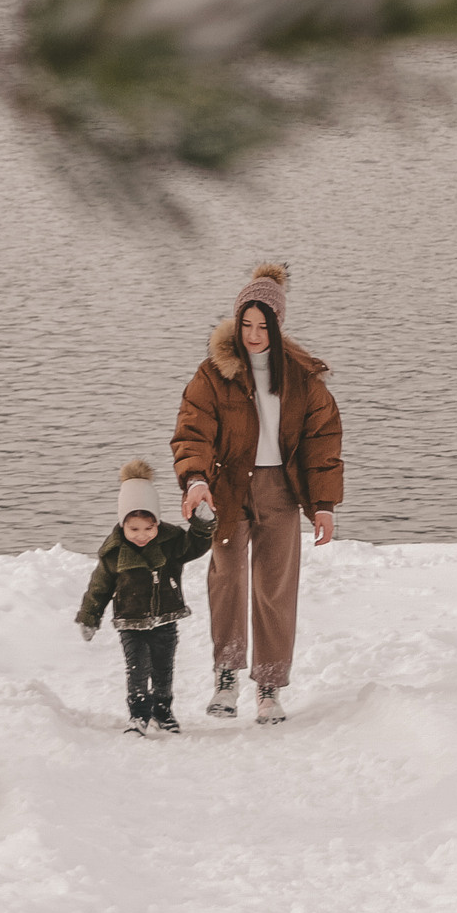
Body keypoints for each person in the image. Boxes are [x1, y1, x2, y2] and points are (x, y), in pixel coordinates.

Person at [171, 262, 344, 724]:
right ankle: (226, 677)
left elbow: (322, 444)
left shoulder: (302, 378)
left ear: (277, 325)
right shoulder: (213, 374)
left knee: (274, 587)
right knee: (227, 579)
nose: (252, 334)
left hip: (280, 492)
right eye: (245, 324)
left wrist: (323, 505)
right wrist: (196, 480)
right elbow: (192, 432)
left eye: (261, 325)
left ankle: (269, 687)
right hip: (226, 489)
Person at [75, 461, 218, 735]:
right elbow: (99, 588)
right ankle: (139, 714)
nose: (142, 535)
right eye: (134, 529)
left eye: (148, 528)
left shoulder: (171, 542)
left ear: (157, 523)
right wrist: (89, 616)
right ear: (122, 525)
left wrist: (202, 525)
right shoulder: (114, 553)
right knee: (138, 670)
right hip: (131, 623)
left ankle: (163, 711)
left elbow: (196, 546)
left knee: (163, 669)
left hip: (166, 619)